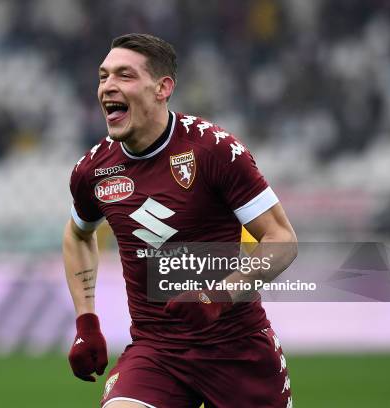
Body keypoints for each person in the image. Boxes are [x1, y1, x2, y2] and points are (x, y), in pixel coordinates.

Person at [63, 33, 297, 408]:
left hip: (237, 347)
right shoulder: (93, 170)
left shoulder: (214, 150)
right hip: (157, 352)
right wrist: (86, 321)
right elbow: (78, 236)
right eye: (103, 76)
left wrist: (216, 296)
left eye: (124, 76)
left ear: (162, 88)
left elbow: (282, 239)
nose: (108, 86)